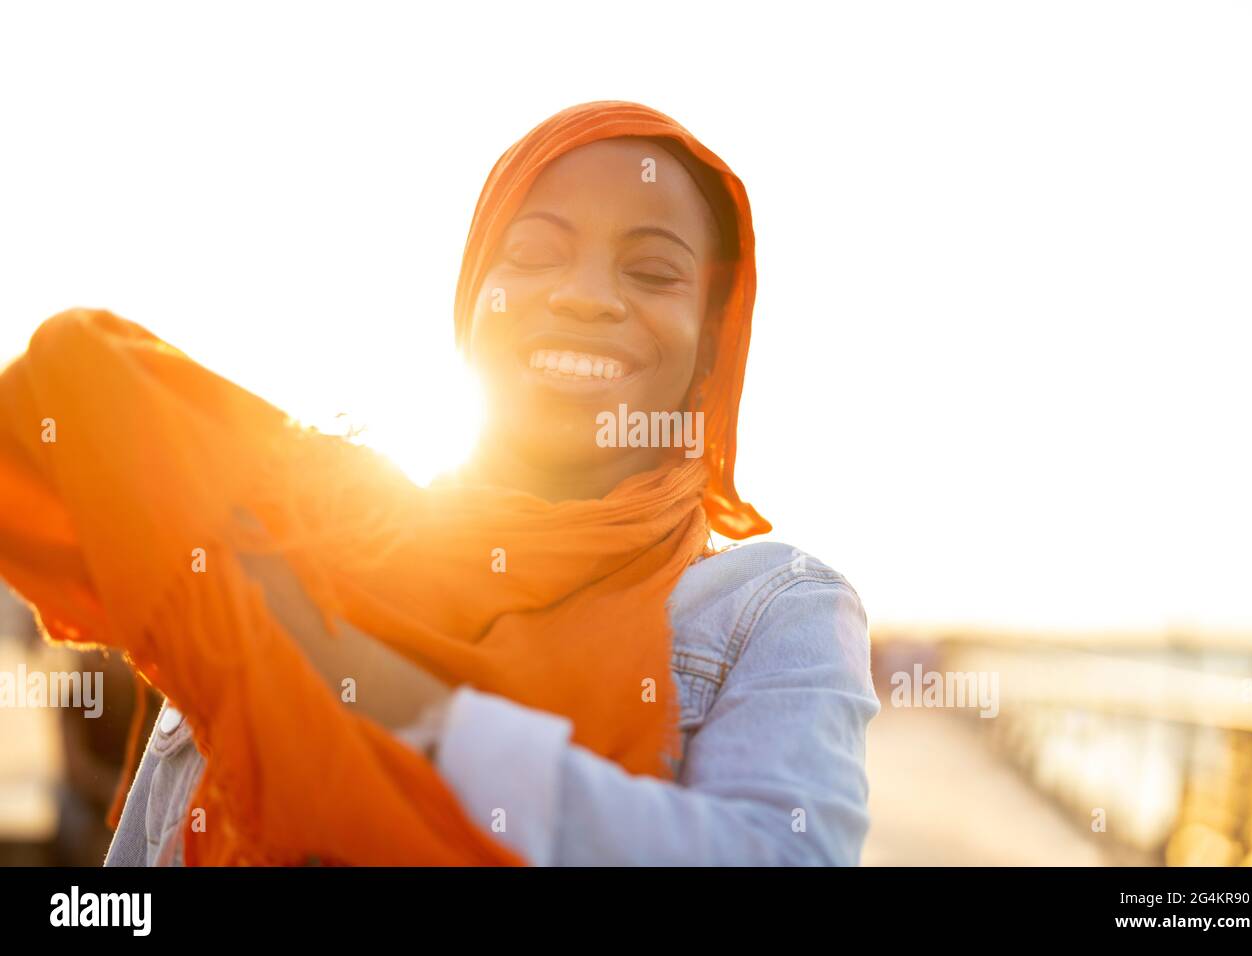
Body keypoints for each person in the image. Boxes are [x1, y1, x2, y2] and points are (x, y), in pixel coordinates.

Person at [3, 101, 879, 866]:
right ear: (472, 306)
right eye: (533, 254)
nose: (583, 297)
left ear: (711, 350)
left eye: (651, 271)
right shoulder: (301, 548)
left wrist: (396, 702)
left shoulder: (772, 608)